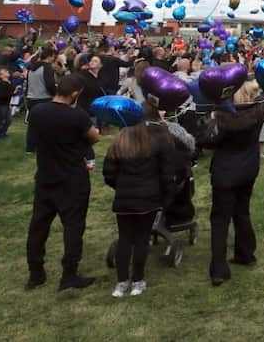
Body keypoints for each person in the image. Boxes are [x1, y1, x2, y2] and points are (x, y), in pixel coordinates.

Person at [25, 73, 101, 290]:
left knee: (38, 225)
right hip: (72, 177)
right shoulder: (77, 116)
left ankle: (35, 272)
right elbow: (94, 137)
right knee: (73, 226)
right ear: (75, 94)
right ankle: (69, 274)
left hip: (46, 175)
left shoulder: (38, 111)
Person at [198, 80, 264, 286]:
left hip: (226, 173)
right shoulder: (257, 113)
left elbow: (205, 141)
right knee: (242, 211)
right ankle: (246, 253)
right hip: (247, 169)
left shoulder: (225, 121)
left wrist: (209, 121)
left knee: (220, 219)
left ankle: (219, 269)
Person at [102, 114, 174, 297]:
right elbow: (163, 172)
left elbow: (108, 173)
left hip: (124, 199)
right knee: (142, 239)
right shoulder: (152, 145)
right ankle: (137, 280)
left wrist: (120, 186)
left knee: (125, 239)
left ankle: (121, 282)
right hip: (147, 199)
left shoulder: (117, 145)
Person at [24, 47, 59, 153]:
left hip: (31, 98)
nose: (54, 58)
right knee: (46, 125)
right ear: (49, 56)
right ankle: (43, 147)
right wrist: (56, 94)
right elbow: (49, 84)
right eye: (53, 56)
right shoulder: (47, 67)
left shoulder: (32, 67)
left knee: (32, 125)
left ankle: (30, 148)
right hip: (43, 99)